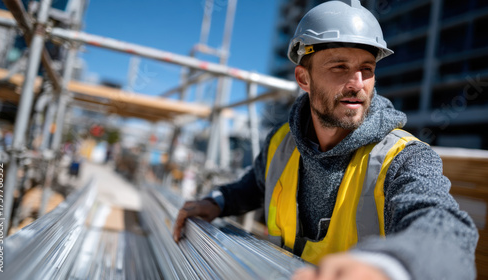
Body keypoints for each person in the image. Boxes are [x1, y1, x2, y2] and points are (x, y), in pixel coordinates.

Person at [173, 1, 479, 279]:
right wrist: (217, 201)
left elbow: (444, 227)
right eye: (340, 67)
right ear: (304, 78)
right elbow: (255, 185)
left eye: (367, 69)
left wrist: (390, 266)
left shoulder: (403, 158)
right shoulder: (282, 142)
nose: (357, 84)